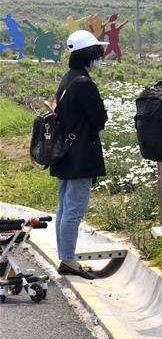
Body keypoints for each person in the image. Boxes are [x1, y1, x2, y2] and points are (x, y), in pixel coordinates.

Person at [52, 30, 109, 279]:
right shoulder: (84, 84)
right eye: (98, 54)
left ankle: (65, 256)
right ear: (89, 56)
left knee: (64, 208)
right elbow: (99, 119)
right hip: (81, 155)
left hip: (65, 152)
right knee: (74, 209)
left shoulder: (68, 79)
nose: (100, 59)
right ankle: (67, 259)